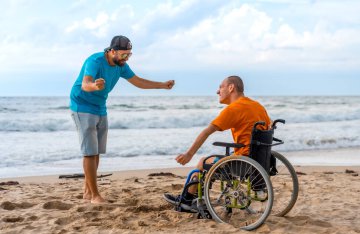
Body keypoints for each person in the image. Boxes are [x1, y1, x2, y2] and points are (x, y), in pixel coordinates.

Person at [70, 35, 175, 204]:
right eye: (124, 54)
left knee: (96, 151)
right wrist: (95, 86)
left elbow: (138, 82)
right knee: (89, 152)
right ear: (112, 51)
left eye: (129, 55)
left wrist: (162, 85)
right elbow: (85, 84)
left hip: (100, 106)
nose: (126, 58)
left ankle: (87, 192)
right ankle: (95, 196)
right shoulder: (95, 61)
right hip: (81, 105)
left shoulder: (121, 66)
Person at [163, 76, 270, 210]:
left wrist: (188, 154)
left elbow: (207, 131)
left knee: (203, 162)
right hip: (260, 160)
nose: (217, 91)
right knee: (224, 155)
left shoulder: (234, 109)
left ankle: (186, 201)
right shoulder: (258, 106)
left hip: (244, 163)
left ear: (231, 88)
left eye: (220, 87)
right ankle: (197, 196)